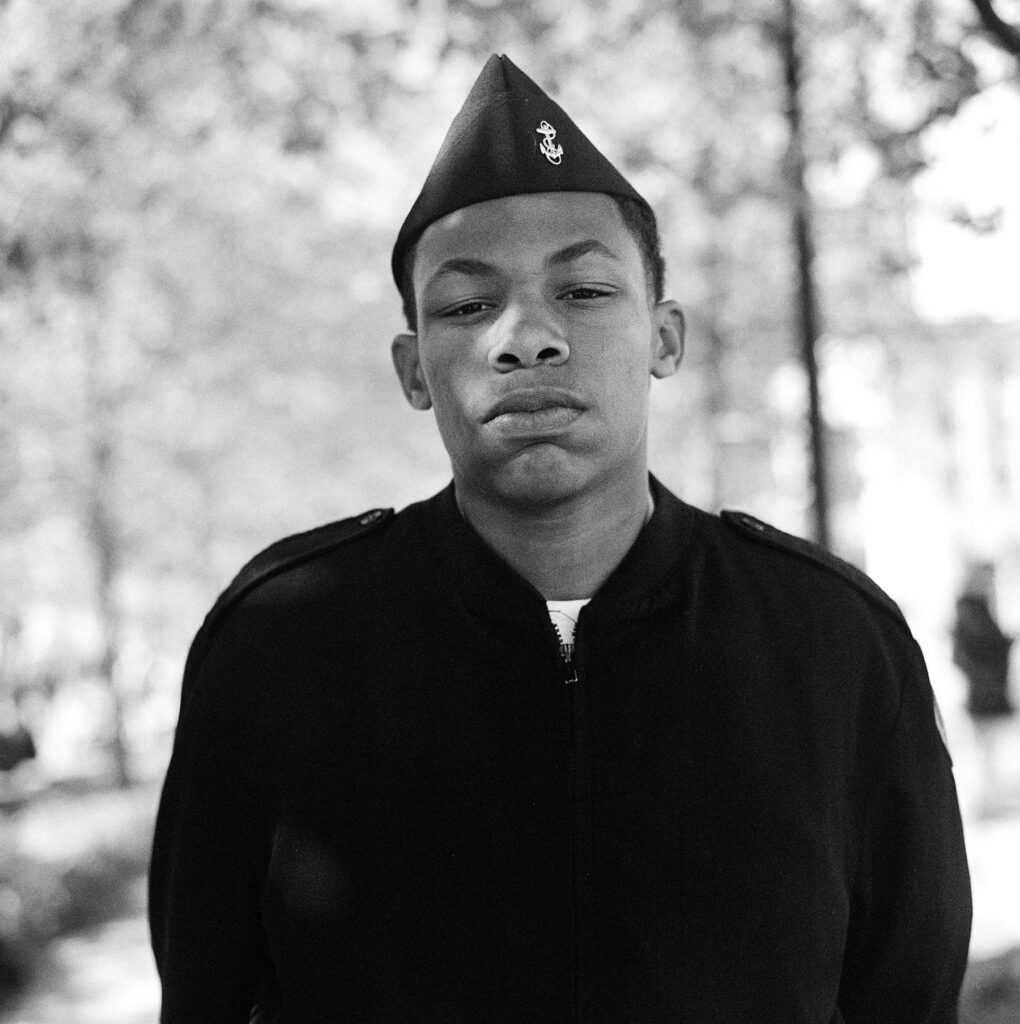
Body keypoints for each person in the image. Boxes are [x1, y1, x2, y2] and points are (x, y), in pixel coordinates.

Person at [149, 54, 972, 1022]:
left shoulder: (833, 644)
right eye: (466, 304)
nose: (525, 337)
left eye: (582, 292)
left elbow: (905, 995)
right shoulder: (279, 643)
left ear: (665, 337)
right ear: (415, 368)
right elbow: (209, 994)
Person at [952, 559, 1015, 816]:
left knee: (987, 744)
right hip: (982, 687)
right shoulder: (969, 610)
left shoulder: (978, 608)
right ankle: (985, 799)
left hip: (988, 685)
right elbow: (971, 650)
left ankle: (988, 797)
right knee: (982, 744)